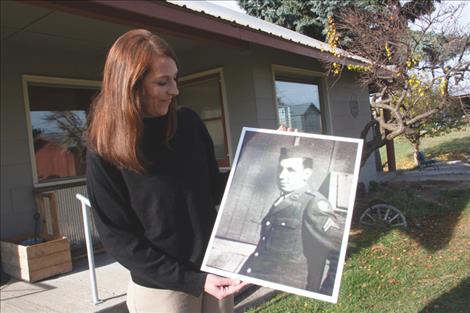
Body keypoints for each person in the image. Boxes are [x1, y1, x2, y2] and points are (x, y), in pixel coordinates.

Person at [86, 29, 245, 313]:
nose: (175, 90)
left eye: (175, 78)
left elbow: (215, 186)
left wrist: (266, 157)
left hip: (215, 273)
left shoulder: (189, 123)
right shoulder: (104, 150)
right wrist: (191, 280)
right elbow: (119, 239)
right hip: (163, 291)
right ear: (130, 85)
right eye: (162, 82)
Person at [239, 143, 343, 295]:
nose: (282, 175)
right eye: (280, 168)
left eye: (290, 170)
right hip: (256, 278)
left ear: (306, 174)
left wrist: (327, 291)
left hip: (282, 289)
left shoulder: (314, 204)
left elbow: (337, 251)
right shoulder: (283, 199)